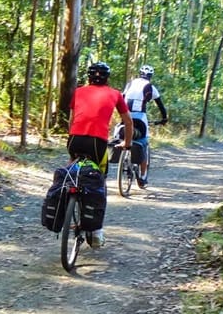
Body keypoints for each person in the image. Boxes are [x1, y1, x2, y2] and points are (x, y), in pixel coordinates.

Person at [68, 61, 134, 248]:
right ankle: (96, 232)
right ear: (107, 78)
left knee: (72, 172)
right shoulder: (115, 94)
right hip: (97, 143)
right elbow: (128, 122)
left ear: (88, 77)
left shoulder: (79, 91)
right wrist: (127, 144)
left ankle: (67, 207)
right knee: (99, 182)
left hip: (74, 140)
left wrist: (72, 139)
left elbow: (72, 119)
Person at [122, 65, 168, 188]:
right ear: (150, 76)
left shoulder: (130, 83)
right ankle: (142, 177)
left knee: (121, 134)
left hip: (125, 115)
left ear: (139, 73)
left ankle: (124, 156)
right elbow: (161, 106)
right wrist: (164, 119)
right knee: (144, 143)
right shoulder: (151, 88)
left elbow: (122, 97)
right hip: (140, 118)